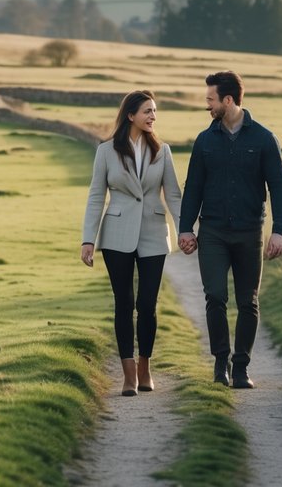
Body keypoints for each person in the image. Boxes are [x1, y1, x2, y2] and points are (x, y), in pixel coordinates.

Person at [178, 70, 282, 389]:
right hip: (212, 232)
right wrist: (186, 229)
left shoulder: (264, 139)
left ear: (228, 100)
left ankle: (241, 367)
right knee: (215, 296)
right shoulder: (204, 141)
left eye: (210, 100)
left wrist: (279, 230)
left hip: (249, 233)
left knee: (247, 301)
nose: (207, 106)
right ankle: (220, 363)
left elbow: (279, 187)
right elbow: (194, 187)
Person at [81, 90, 182, 396]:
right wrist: (88, 239)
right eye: (147, 111)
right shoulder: (106, 151)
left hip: (153, 232)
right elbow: (96, 196)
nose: (153, 116)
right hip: (116, 234)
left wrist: (186, 232)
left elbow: (174, 195)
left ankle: (144, 367)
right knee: (123, 303)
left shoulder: (162, 151)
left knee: (147, 304)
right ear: (130, 116)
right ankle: (127, 376)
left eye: (155, 112)